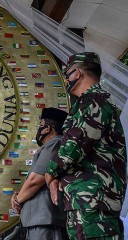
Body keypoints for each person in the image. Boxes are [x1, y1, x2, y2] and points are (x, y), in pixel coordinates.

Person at [45, 52, 127, 240]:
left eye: (67, 74)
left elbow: (75, 144)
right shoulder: (89, 101)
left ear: (78, 73)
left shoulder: (95, 99)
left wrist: (50, 173)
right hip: (85, 200)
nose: (66, 78)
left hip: (93, 200)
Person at [11, 107, 68, 240]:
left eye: (40, 125)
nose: (38, 129)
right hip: (39, 220)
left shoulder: (55, 144)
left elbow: (35, 180)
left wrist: (17, 200)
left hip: (45, 220)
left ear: (47, 128)